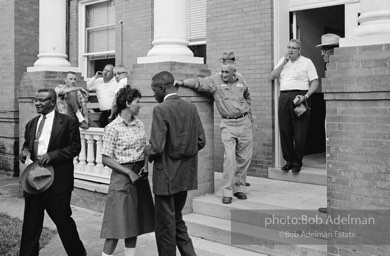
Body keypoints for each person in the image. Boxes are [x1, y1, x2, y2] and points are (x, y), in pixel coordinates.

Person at [176, 52, 252, 205]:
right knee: (229, 159)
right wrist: (182, 82)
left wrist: (248, 112)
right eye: (222, 71)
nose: (223, 74)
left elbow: (248, 96)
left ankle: (239, 188)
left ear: (234, 73)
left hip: (244, 123)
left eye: (226, 72)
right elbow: (199, 82)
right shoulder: (215, 81)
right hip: (228, 124)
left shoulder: (241, 80)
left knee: (244, 159)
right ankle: (227, 191)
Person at [19, 88, 86, 256]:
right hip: (34, 181)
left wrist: (52, 156)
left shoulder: (68, 122)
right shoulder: (32, 123)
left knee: (63, 221)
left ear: (53, 102)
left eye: (42, 100)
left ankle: (77, 253)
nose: (37, 103)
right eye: (36, 100)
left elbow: (75, 147)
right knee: (31, 224)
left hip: (57, 182)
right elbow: (27, 145)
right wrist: (24, 152)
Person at [147, 71, 206, 256]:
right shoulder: (191, 108)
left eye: (154, 90)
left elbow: (156, 147)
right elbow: (201, 141)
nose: (153, 94)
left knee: (165, 227)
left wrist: (145, 149)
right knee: (177, 219)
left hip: (166, 178)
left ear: (163, 88)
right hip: (185, 177)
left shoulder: (161, 109)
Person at [100, 85, 154, 256]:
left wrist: (146, 165)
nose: (140, 105)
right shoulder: (113, 127)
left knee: (133, 224)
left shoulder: (139, 124)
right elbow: (106, 158)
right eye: (138, 102)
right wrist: (128, 172)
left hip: (139, 177)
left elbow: (145, 148)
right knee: (116, 226)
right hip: (122, 179)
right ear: (127, 103)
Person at [271, 39, 319, 173]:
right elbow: (273, 76)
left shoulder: (307, 62)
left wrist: (306, 96)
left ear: (299, 50)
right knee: (285, 130)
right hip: (284, 97)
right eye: (289, 47)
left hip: (300, 97)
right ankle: (289, 160)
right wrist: (283, 64)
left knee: (299, 132)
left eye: (293, 48)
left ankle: (297, 162)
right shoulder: (283, 60)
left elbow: (315, 82)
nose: (290, 50)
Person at [315, 33, 340, 214]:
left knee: (336, 160)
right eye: (323, 49)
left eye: (326, 49)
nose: (323, 53)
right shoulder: (330, 68)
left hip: (339, 121)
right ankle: (333, 202)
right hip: (330, 117)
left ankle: (336, 203)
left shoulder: (340, 68)